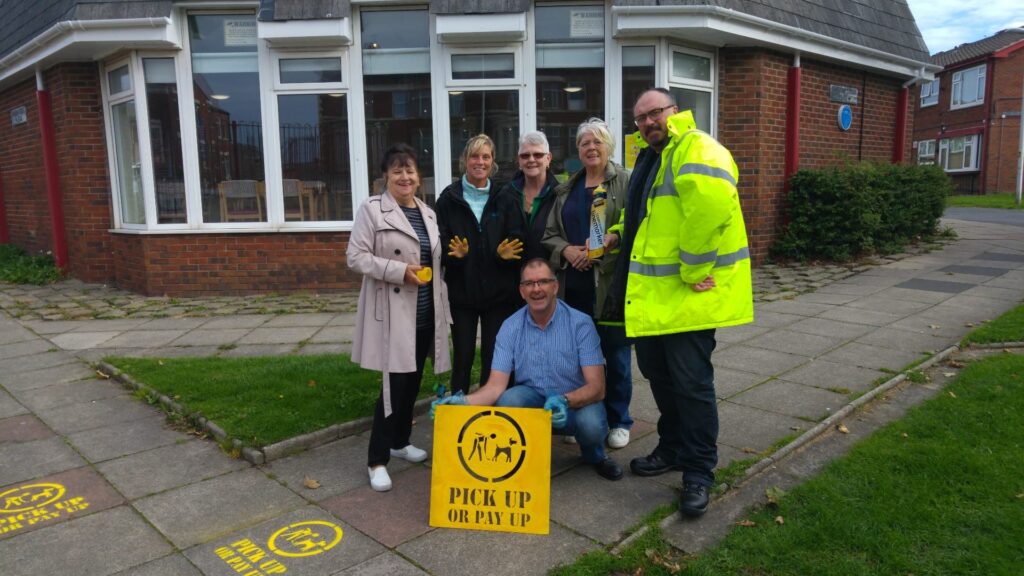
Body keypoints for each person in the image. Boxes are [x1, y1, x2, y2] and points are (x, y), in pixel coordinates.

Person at [605, 88, 753, 517]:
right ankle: (671, 448)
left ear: (675, 112)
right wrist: (618, 228)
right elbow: (648, 212)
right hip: (656, 298)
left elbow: (709, 209)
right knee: (660, 377)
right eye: (640, 118)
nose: (648, 123)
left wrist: (691, 269)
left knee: (691, 384)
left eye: (654, 113)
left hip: (688, 295)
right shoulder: (655, 157)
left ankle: (699, 471)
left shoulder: (697, 147)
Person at [432, 258, 624, 481]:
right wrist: (462, 403)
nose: (536, 289)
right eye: (529, 284)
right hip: (534, 398)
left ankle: (595, 456)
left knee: (591, 426)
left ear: (555, 286)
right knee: (508, 401)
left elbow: (597, 388)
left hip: (574, 402)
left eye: (543, 282)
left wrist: (565, 400)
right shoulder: (510, 326)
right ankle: (526, 455)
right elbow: (495, 386)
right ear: (521, 291)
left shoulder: (580, 324)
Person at [347, 143, 452, 492]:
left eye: (409, 170)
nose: (404, 177)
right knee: (393, 389)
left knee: (412, 383)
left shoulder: (429, 212)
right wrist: (397, 270)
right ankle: (377, 459)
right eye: (396, 171)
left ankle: (400, 441)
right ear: (385, 177)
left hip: (425, 314)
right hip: (393, 313)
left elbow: (436, 265)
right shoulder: (372, 210)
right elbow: (355, 257)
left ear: (419, 177)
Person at [542, 118, 634, 449]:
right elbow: (550, 234)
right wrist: (566, 250)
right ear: (577, 150)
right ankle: (580, 414)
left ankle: (619, 419)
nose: (591, 148)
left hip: (610, 285)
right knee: (577, 356)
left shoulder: (625, 180)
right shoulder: (566, 188)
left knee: (616, 355)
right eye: (584, 143)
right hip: (574, 285)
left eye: (597, 142)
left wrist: (614, 236)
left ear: (608, 146)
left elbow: (636, 220)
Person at [435, 134, 526, 395]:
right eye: (475, 156)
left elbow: (518, 234)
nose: (480, 161)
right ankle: (458, 407)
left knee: (492, 355)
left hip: (498, 294)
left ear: (492, 162)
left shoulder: (505, 196)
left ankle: (488, 410)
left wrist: (504, 252)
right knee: (463, 356)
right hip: (461, 292)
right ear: (464, 160)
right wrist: (455, 256)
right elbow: (439, 241)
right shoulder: (448, 199)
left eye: (486, 156)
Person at [500, 131, 560, 261]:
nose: (531, 159)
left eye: (538, 155)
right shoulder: (505, 195)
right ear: (519, 161)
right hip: (512, 275)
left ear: (548, 158)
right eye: (525, 155)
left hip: (549, 275)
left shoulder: (560, 195)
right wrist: (498, 254)